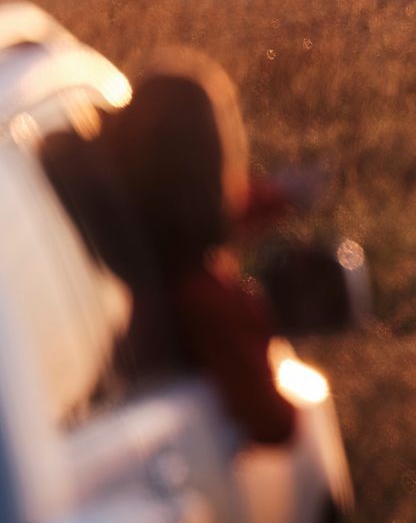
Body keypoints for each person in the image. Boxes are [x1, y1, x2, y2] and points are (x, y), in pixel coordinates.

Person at [103, 51, 297, 446]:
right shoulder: (206, 300)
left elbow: (181, 214)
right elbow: (276, 424)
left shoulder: (112, 226)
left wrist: (278, 198)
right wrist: (261, 314)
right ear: (214, 157)